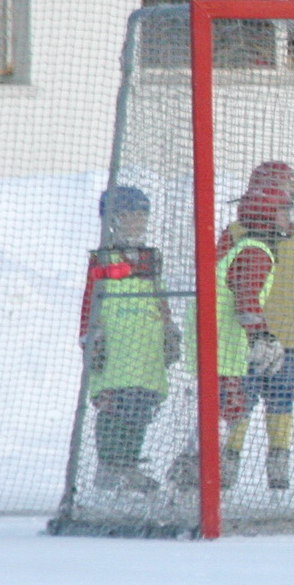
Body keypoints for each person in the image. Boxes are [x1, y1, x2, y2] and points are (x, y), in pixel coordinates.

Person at [169, 185, 291, 494]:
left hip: (216, 346)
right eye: (282, 211)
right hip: (221, 349)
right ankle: (191, 477)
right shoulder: (255, 252)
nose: (287, 218)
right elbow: (246, 299)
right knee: (226, 410)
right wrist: (262, 336)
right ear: (265, 215)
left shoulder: (244, 247)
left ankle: (191, 475)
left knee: (224, 411)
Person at [215, 163, 294, 491]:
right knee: (239, 401)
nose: (290, 200)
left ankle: (279, 459)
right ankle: (226, 460)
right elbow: (222, 280)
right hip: (245, 340)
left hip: (287, 337)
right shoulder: (238, 235)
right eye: (286, 192)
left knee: (282, 400)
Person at [80, 186, 180, 493]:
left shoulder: (151, 259)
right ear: (112, 221)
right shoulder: (103, 260)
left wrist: (169, 329)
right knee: (115, 406)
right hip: (116, 348)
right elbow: (90, 302)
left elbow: (159, 295)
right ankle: (111, 466)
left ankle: (129, 466)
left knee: (141, 406)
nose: (137, 224)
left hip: (146, 348)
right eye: (128, 217)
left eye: (141, 217)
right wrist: (90, 337)